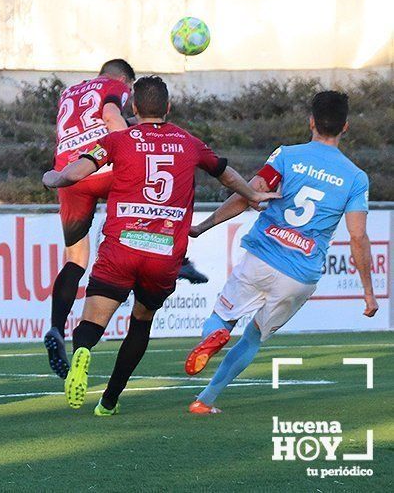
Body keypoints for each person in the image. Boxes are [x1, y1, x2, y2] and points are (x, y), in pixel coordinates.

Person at [42, 76, 278, 416]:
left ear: (134, 108)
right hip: (164, 253)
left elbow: (76, 171)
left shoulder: (118, 140)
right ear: (168, 108)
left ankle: (83, 351)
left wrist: (53, 178)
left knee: (93, 319)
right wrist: (254, 194)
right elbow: (224, 173)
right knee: (141, 321)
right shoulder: (189, 143)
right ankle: (109, 401)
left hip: (121, 247)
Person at [185, 91, 378, 414]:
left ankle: (216, 335)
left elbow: (251, 193)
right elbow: (358, 237)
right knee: (253, 338)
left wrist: (203, 226)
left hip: (262, 256)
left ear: (311, 122)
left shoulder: (287, 156)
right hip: (299, 276)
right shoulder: (356, 177)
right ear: (345, 127)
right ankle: (205, 400)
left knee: (222, 317)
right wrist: (368, 293)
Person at [43, 59, 209, 379]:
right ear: (125, 80)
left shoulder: (69, 93)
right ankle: (179, 256)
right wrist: (129, 144)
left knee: (76, 260)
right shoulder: (115, 87)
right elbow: (110, 116)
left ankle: (54, 328)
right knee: (155, 184)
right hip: (100, 165)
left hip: (70, 174)